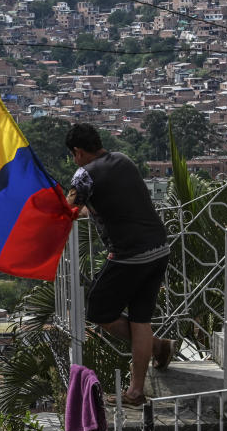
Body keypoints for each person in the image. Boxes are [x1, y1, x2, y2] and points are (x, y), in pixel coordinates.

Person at [65, 123, 173, 406]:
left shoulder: (84, 174)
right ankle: (136, 391)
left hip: (129, 255)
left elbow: (68, 211)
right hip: (158, 247)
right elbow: (115, 199)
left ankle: (157, 346)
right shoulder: (123, 159)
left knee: (99, 310)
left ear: (78, 152)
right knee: (140, 319)